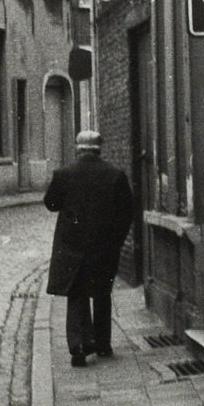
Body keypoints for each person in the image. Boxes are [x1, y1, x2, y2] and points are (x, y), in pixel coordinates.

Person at [43, 129, 135, 367]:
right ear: (99, 149)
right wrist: (116, 241)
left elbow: (50, 204)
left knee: (76, 294)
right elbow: (127, 212)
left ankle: (78, 348)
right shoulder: (115, 175)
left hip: (72, 247)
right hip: (104, 247)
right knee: (102, 293)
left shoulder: (63, 174)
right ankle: (103, 344)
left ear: (78, 149)